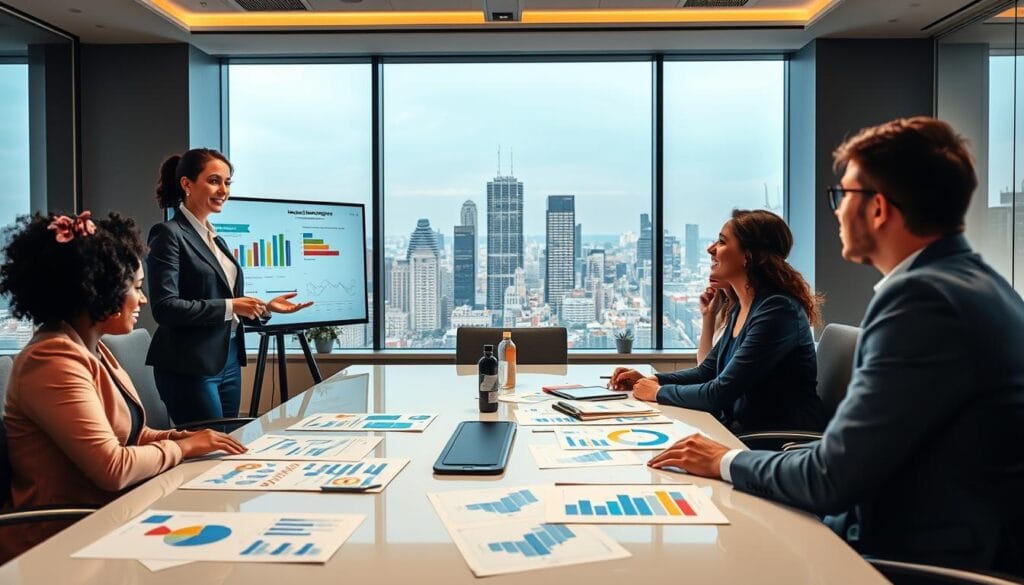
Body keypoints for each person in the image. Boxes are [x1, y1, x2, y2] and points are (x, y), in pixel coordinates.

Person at [650, 117, 1024, 575]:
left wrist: (725, 460)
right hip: (911, 529)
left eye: (841, 195)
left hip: (914, 556)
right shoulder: (974, 285)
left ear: (878, 208)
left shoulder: (922, 301)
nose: (836, 210)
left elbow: (832, 478)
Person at [0, 211, 247, 561]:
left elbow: (132, 435)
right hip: (61, 542)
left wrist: (183, 438)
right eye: (135, 287)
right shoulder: (52, 360)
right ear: (99, 290)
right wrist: (185, 449)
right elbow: (113, 468)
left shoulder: (92, 348)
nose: (143, 299)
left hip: (110, 516)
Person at [610, 209, 826, 433]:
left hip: (772, 443)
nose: (710, 248)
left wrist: (656, 392)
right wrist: (651, 379)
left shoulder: (777, 310)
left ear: (747, 256)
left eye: (722, 242)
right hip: (739, 432)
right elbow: (707, 371)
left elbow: (720, 393)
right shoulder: (742, 307)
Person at [147, 148, 312, 424]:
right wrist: (232, 305)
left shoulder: (216, 240)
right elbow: (165, 308)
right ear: (186, 184)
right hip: (190, 366)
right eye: (214, 180)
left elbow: (220, 298)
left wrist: (262, 308)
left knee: (229, 444)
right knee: (210, 452)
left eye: (227, 182)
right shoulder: (168, 234)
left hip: (228, 361)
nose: (223, 190)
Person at [696, 277, 730, 365]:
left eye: (717, 263)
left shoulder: (747, 311)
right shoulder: (723, 309)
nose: (712, 266)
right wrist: (707, 315)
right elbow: (703, 364)